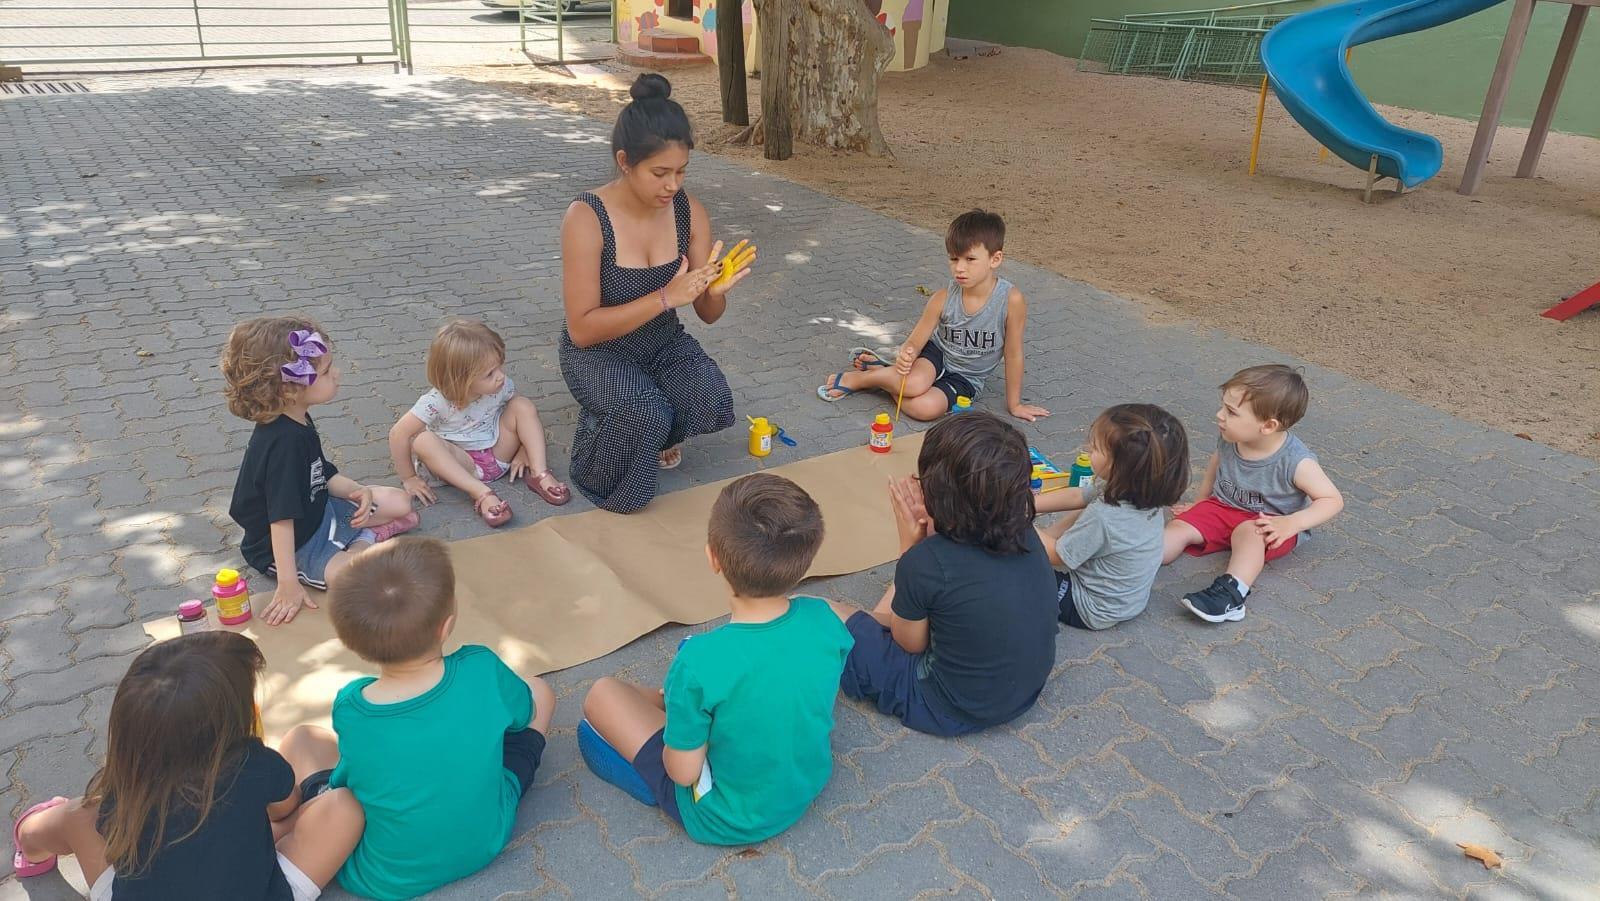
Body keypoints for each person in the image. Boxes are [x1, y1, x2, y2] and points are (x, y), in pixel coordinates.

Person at [577, 474, 853, 845]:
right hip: (805, 783)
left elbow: (683, 773)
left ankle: (645, 779)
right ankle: (675, 704)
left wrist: (683, 721)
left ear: (713, 558)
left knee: (601, 694)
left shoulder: (700, 663)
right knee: (691, 675)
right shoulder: (826, 618)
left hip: (722, 817)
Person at [284, 537, 556, 900]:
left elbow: (348, 782)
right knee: (540, 690)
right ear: (446, 627)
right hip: (487, 837)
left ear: (354, 643)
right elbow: (523, 715)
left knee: (303, 738)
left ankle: (286, 819)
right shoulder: (482, 666)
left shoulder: (352, 705)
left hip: (383, 875)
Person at [11, 632, 364, 901]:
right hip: (264, 890)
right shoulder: (253, 763)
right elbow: (288, 807)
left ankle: (31, 839)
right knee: (344, 804)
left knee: (77, 814)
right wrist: (255, 829)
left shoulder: (128, 788)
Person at [559, 73, 755, 513]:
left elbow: (708, 313)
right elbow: (582, 330)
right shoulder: (586, 217)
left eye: (682, 171)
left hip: (660, 343)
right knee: (643, 412)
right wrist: (666, 297)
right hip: (597, 353)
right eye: (660, 173)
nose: (673, 185)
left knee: (712, 402)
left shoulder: (689, 211)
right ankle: (600, 437)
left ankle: (642, 421)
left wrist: (714, 290)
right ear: (625, 161)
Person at [827, 412, 1057, 735]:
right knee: (912, 598)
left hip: (946, 706)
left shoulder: (925, 563)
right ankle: (880, 616)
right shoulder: (1024, 532)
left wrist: (910, 549)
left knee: (823, 614)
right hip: (1021, 693)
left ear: (938, 495)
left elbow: (909, 644)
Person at [222, 317, 418, 625]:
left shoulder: (299, 419)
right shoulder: (281, 443)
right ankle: (364, 541)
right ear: (289, 389)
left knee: (400, 502)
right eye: (326, 371)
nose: (337, 375)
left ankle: (362, 538)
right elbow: (281, 520)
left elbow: (321, 472)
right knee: (355, 579)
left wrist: (358, 491)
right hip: (292, 544)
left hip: (319, 512)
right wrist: (288, 584)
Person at [817, 210, 1049, 423]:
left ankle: (882, 376)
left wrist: (1015, 404)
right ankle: (858, 380)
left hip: (967, 377)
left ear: (995, 259)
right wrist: (908, 353)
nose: (959, 268)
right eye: (953, 259)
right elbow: (916, 341)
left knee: (924, 408)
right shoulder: (943, 297)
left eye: (970, 259)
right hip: (936, 356)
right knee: (915, 383)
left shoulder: (1011, 300)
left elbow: (1014, 353)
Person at [1164, 364, 1344, 623]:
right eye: (1223, 406)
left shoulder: (1296, 462)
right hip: (1221, 508)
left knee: (1249, 533)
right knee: (1178, 528)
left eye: (1231, 412)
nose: (1219, 416)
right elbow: (1217, 461)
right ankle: (1134, 559)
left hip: (1268, 522)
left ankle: (1232, 594)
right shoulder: (1230, 436)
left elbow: (1332, 500)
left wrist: (1291, 523)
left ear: (1268, 426)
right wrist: (1201, 501)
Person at [389, 319, 569, 529]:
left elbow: (521, 419)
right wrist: (409, 477)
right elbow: (398, 434)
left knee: (522, 405)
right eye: (490, 373)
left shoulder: (500, 386)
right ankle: (481, 493)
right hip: (461, 467)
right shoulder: (435, 402)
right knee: (422, 441)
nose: (500, 376)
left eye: (500, 366)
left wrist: (522, 450)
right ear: (460, 379)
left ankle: (539, 472)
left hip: (499, 454)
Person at [1036, 404, 1190, 630]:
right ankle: (1047, 537)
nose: (1088, 448)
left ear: (1120, 466)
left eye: (1096, 448)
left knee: (1016, 567)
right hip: (1127, 602)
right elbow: (1078, 495)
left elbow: (1056, 557)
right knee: (1086, 510)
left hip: (1088, 608)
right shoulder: (1142, 494)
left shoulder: (1105, 516)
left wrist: (1015, 518)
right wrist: (1028, 503)